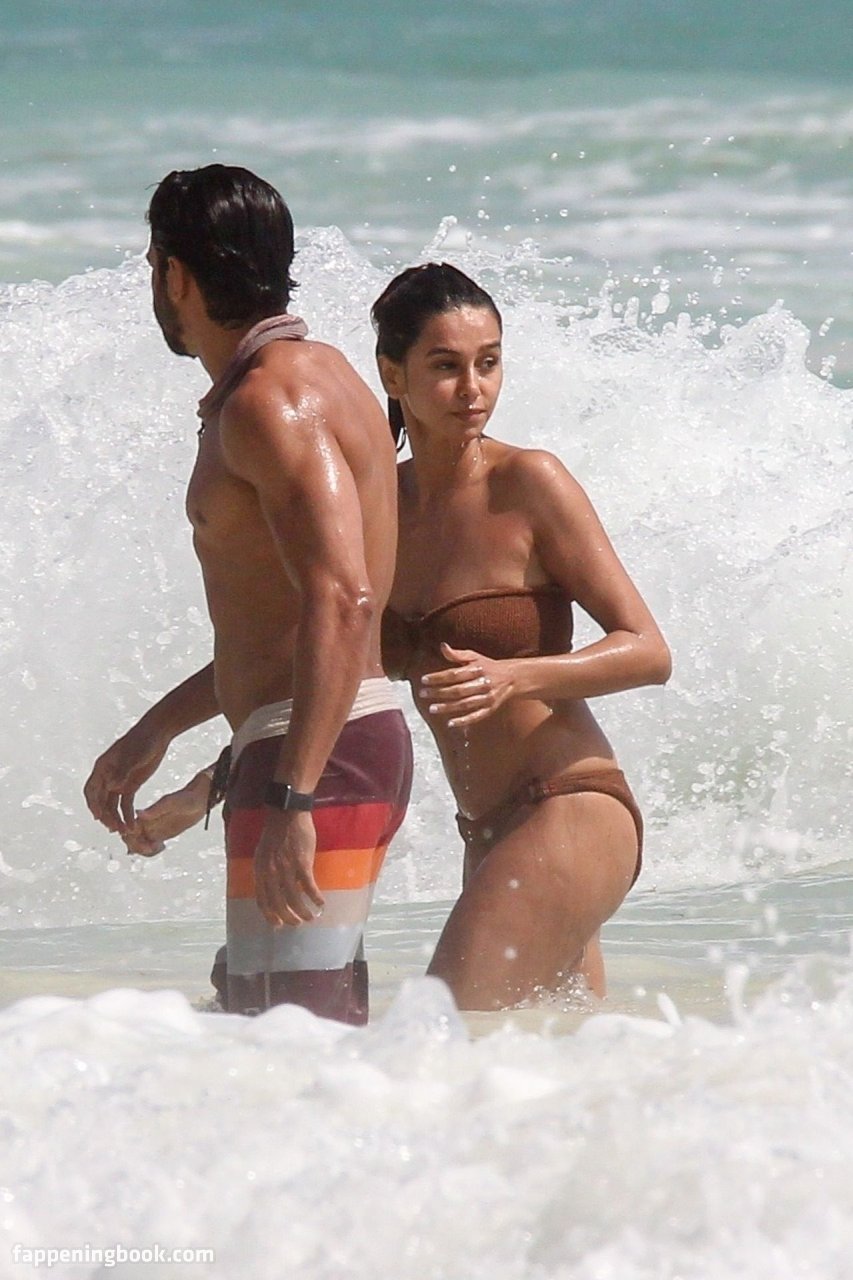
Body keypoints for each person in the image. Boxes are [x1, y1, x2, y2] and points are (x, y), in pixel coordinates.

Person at [84, 165, 412, 1024]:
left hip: (317, 755)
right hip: (323, 741)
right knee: (271, 1019)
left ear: (175, 274)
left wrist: (294, 796)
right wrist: (159, 728)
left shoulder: (271, 401)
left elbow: (345, 601)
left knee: (292, 1038)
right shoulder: (318, 374)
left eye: (152, 265)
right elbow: (285, 623)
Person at [371, 263, 671, 1011]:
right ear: (393, 374)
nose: (473, 389)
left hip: (567, 805)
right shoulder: (379, 510)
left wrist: (517, 675)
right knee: (549, 1064)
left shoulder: (529, 483)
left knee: (438, 1036)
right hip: (487, 835)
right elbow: (323, 661)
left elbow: (647, 649)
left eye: (489, 362)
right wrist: (211, 774)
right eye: (446, 366)